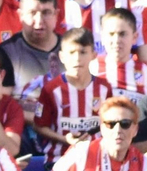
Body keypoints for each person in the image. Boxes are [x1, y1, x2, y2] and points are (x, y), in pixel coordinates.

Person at [29, 27, 110, 161]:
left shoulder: (104, 88)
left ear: (94, 55)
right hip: (58, 159)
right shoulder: (50, 89)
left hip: (96, 159)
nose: (77, 58)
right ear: (62, 56)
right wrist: (64, 139)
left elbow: (109, 124)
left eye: (83, 52)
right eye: (72, 52)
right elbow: (39, 126)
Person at [95, 6, 147, 103]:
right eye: (111, 34)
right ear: (102, 37)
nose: (117, 40)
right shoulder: (91, 68)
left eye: (122, 34)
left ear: (134, 37)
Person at [1, 0, 61, 88]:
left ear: (56, 15)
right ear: (20, 15)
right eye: (32, 13)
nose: (39, 21)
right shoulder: (6, 54)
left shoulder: (72, 50)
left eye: (46, 12)